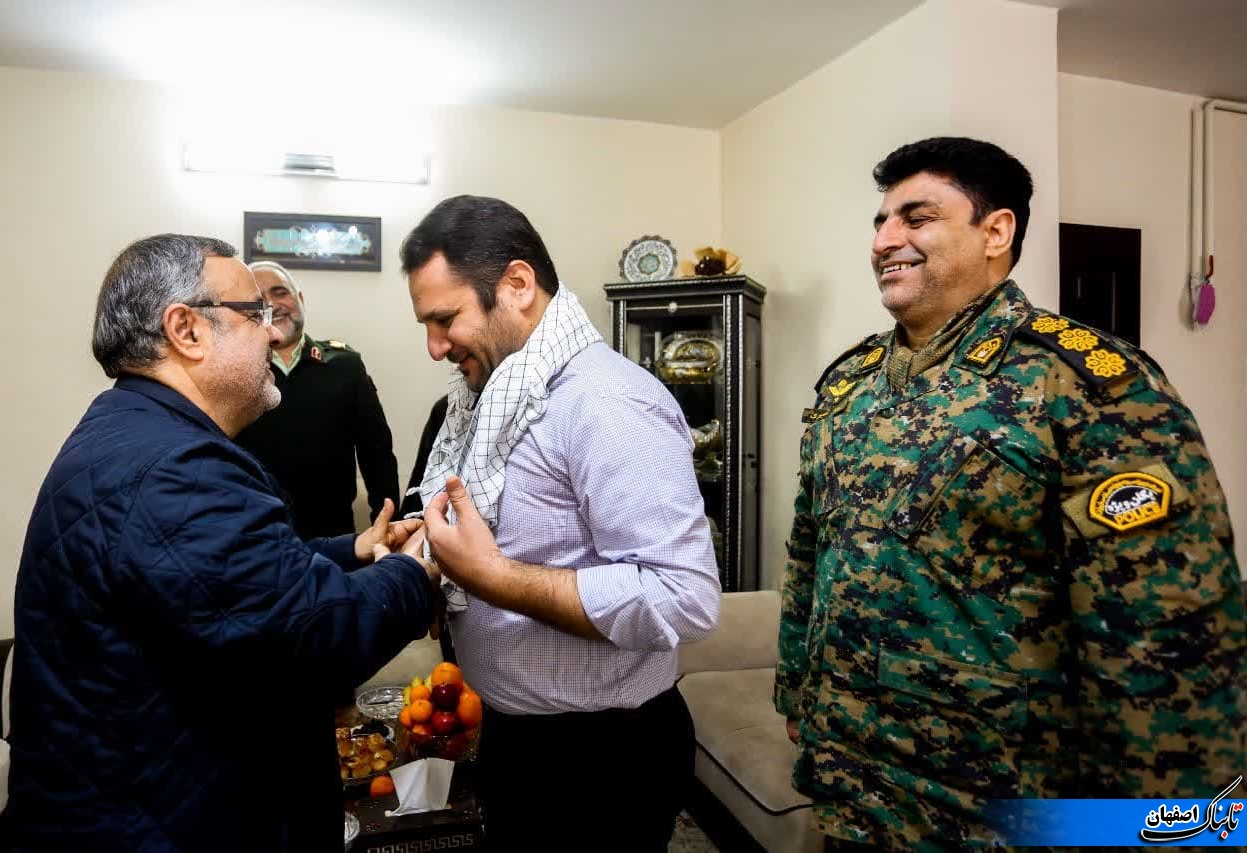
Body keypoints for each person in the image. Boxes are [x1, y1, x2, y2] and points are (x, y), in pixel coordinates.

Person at [775, 137, 1245, 850]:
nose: (884, 240)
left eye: (917, 217)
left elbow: (1165, 633)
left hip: (1002, 805)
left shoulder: (1084, 384)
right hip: (853, 784)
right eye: (881, 222)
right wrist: (796, 690)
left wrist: (1170, 828)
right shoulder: (849, 383)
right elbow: (811, 550)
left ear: (996, 232)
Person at [7, 235, 437, 852]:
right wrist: (416, 571)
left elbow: (227, 584)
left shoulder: (140, 431)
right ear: (186, 330)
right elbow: (314, 637)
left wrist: (353, 551)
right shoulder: (175, 470)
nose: (273, 332)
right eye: (254, 313)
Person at [400, 195, 721, 850]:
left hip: (601, 759)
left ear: (517, 285)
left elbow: (683, 598)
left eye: (445, 319)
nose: (434, 347)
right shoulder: (493, 399)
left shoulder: (606, 401)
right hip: (520, 737)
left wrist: (491, 576)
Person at [236, 260, 401, 540]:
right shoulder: (235, 372)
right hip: (255, 539)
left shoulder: (345, 366)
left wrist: (387, 528)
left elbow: (378, 457)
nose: (272, 304)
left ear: (300, 299)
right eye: (259, 299)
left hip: (335, 537)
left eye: (280, 292)